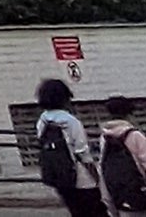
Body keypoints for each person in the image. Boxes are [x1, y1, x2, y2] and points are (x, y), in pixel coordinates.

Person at [36, 79, 106, 217]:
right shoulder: (71, 121)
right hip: (81, 177)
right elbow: (82, 152)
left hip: (58, 176)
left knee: (75, 210)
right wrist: (97, 178)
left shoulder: (42, 120)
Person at [97, 96, 146, 217]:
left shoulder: (105, 136)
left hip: (115, 189)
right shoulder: (135, 135)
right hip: (139, 188)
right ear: (129, 114)